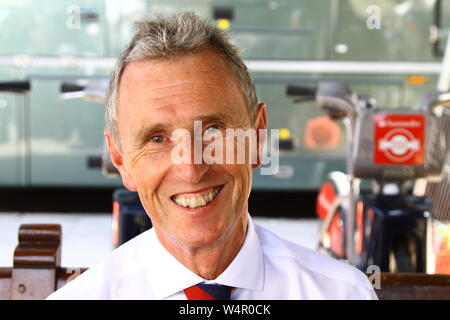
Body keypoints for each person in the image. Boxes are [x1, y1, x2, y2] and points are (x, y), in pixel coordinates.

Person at [47, 12, 378, 300]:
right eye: (157, 138)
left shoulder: (342, 293)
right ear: (120, 160)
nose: (191, 168)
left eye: (212, 130)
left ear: (258, 135)